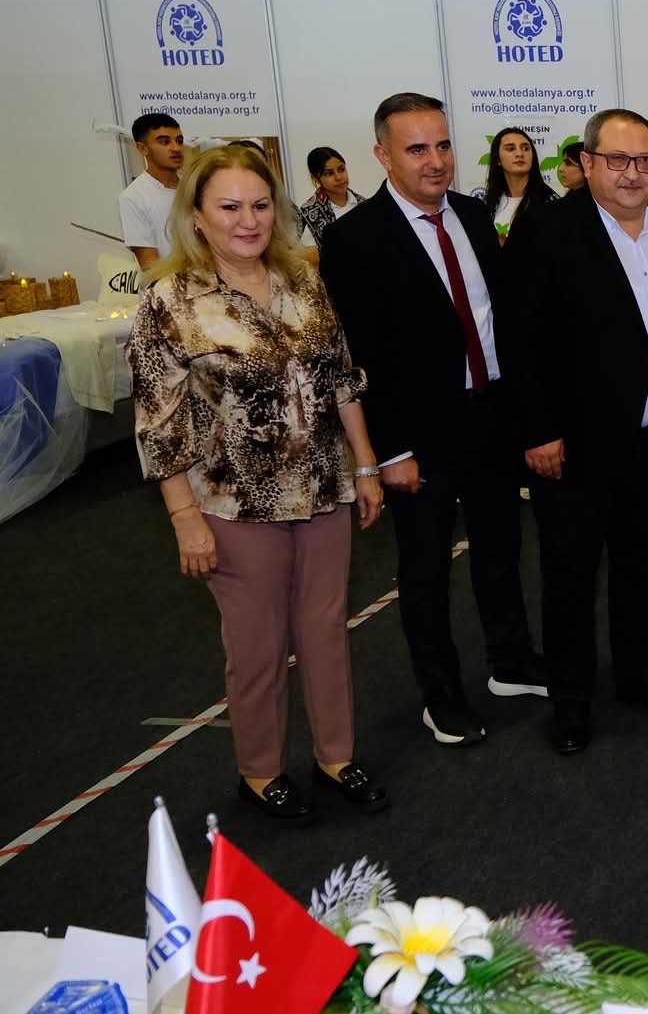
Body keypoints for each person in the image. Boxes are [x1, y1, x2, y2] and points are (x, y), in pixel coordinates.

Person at [128, 143, 388, 822]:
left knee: (326, 630)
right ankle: (261, 770)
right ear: (196, 216)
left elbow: (342, 379)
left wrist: (365, 465)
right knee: (258, 645)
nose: (249, 220)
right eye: (230, 207)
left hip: (325, 488)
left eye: (261, 204)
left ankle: (336, 757)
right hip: (233, 504)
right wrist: (184, 517)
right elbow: (160, 424)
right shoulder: (169, 300)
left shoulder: (303, 281)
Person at [321, 93, 547, 749]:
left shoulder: (473, 215)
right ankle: (440, 693)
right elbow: (359, 355)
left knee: (500, 546)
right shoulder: (354, 239)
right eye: (417, 148)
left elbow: (497, 316)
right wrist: (389, 451)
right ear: (382, 155)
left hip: (490, 415)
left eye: (443, 145)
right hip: (418, 435)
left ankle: (511, 660)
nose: (435, 160)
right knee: (424, 570)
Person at [506, 108, 648, 754]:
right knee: (571, 572)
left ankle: (638, 676)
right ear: (587, 162)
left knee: (641, 565)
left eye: (645, 160)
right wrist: (538, 430)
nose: (633, 173)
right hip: (575, 445)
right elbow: (520, 337)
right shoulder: (548, 226)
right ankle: (571, 698)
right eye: (619, 160)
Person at [121, 113, 184, 267]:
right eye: (165, 142)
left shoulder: (196, 186)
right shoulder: (133, 197)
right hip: (170, 281)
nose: (176, 148)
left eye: (179, 141)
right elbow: (150, 266)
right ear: (143, 148)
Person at [482, 127, 557, 243]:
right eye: (511, 149)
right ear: (498, 159)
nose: (519, 154)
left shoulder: (550, 202)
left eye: (526, 148)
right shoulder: (488, 203)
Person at [295, 147, 364, 252]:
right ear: (315, 179)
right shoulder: (308, 213)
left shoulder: (363, 204)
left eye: (341, 169)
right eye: (329, 173)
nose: (338, 177)